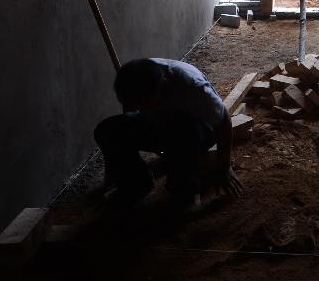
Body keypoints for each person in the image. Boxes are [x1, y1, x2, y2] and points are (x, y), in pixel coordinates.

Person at [95, 58, 243, 211]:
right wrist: (119, 161)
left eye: (145, 103)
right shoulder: (134, 83)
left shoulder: (191, 86)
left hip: (199, 130)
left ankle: (186, 192)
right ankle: (137, 184)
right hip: (159, 123)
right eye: (137, 105)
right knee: (107, 130)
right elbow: (130, 111)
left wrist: (224, 167)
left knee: (182, 131)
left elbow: (224, 119)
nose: (139, 107)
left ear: (161, 87)